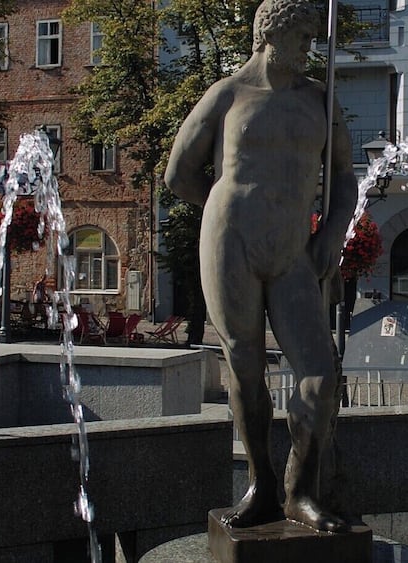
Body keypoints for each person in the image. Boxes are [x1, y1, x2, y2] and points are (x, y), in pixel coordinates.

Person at [163, 0, 356, 533]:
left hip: (295, 251)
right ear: (271, 34)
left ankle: (300, 490)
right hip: (231, 242)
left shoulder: (322, 99)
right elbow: (178, 173)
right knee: (245, 367)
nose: (310, 48)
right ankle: (261, 484)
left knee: (320, 374)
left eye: (314, 38)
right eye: (301, 37)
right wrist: (229, 214)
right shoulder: (227, 94)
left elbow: (345, 180)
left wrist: (330, 240)